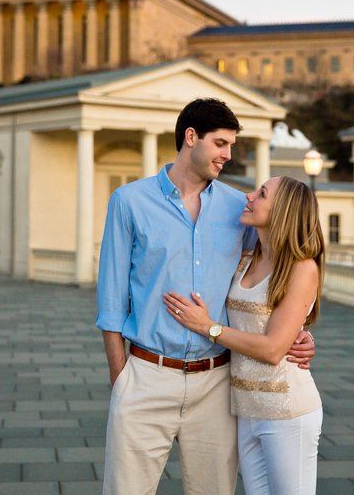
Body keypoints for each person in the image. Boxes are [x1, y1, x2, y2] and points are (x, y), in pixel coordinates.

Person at [96, 98, 315, 495]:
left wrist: (298, 331)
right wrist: (121, 378)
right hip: (146, 376)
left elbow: (278, 269)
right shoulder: (128, 202)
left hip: (217, 384)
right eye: (220, 144)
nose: (227, 156)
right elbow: (111, 305)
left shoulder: (239, 208)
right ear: (191, 138)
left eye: (231, 145)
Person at [165, 175, 324, 494]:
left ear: (283, 211)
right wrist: (302, 333)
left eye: (262, 194)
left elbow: (272, 350)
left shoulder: (301, 267)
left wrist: (206, 327)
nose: (249, 196)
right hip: (245, 408)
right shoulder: (246, 259)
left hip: (287, 410)